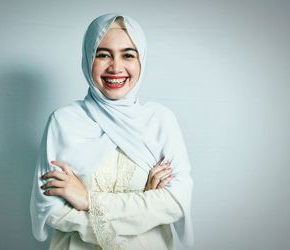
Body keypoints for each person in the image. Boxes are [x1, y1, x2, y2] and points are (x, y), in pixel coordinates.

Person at [30, 13, 194, 250]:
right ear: (88, 58)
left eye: (128, 55)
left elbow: (176, 202)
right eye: (103, 54)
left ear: (141, 60)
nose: (116, 67)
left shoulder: (160, 121)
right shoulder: (64, 121)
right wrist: (143, 207)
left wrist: (88, 200)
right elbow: (52, 210)